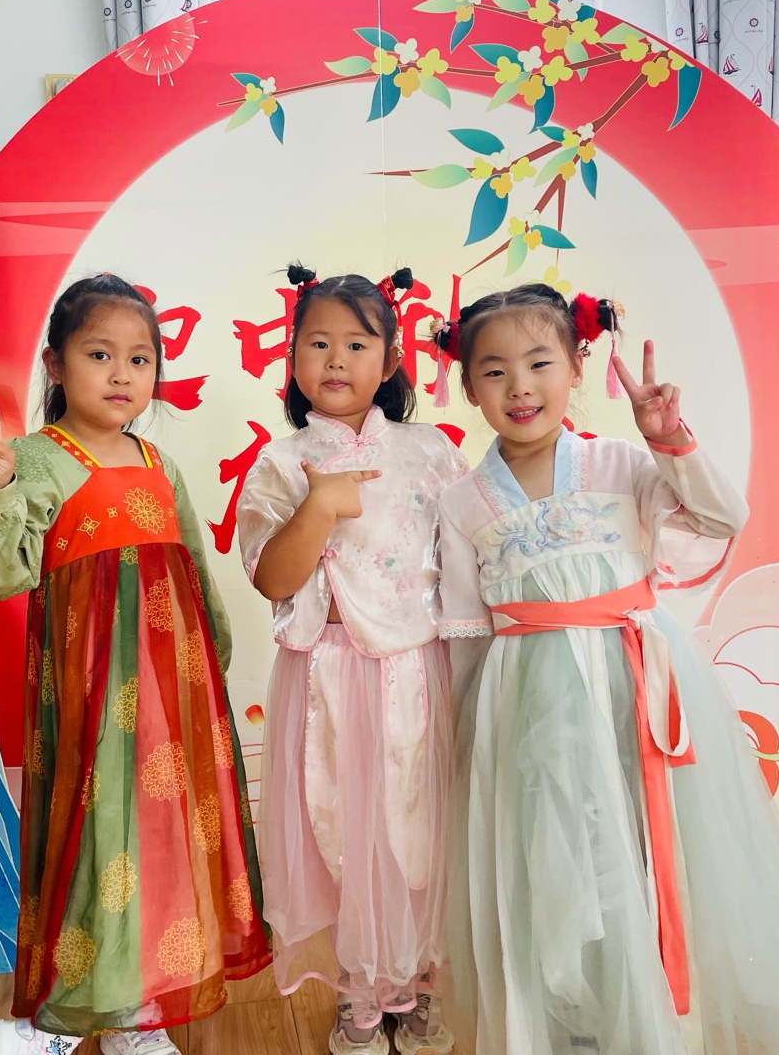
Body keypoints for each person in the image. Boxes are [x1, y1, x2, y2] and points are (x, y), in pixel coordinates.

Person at [435, 283, 779, 1055]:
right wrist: (471, 741)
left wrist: (670, 439)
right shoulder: (462, 503)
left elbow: (722, 518)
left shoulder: (621, 463)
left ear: (577, 366)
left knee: (648, 845)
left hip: (634, 684)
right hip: (527, 701)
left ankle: (655, 1021)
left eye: (539, 362)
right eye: (493, 371)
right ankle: (571, 1017)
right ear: (467, 386)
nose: (519, 386)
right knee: (553, 856)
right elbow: (466, 633)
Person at [0, 274, 270, 1055]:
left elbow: (192, 573)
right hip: (90, 700)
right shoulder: (35, 459)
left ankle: (136, 1012)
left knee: (158, 845)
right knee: (98, 841)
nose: (122, 374)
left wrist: (211, 673)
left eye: (139, 358)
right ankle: (64, 1023)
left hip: (171, 704)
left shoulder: (158, 462)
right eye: (99, 354)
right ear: (55, 365)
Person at [237, 265, 469, 1055]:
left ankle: (417, 980)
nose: (336, 359)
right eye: (318, 343)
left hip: (416, 672)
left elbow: (466, 558)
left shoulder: (429, 452)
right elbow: (273, 578)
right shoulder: (282, 462)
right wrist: (319, 504)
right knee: (343, 827)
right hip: (330, 675)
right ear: (292, 357)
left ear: (393, 359)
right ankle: (362, 993)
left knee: (416, 826)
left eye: (357, 344)